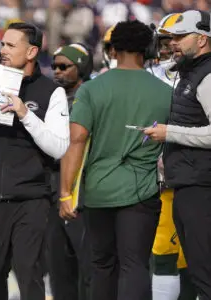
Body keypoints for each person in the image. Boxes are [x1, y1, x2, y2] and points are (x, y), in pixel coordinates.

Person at [0, 22, 70, 300]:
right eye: (2, 44)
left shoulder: (52, 92)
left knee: (29, 272)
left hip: (30, 198)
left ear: (31, 52)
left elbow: (59, 147)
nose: (2, 50)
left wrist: (25, 114)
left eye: (10, 45)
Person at [59, 20, 172, 300]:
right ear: (148, 49)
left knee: (102, 265)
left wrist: (64, 193)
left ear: (113, 49)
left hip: (98, 191)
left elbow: (76, 141)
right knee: (135, 265)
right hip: (142, 191)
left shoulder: (91, 90)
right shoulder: (166, 93)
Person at [144, 10, 211, 300]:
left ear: (202, 38)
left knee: (205, 271)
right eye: (172, 37)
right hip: (188, 182)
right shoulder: (190, 72)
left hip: (202, 186)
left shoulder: (207, 75)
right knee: (198, 271)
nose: (174, 43)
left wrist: (169, 133)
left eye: (181, 37)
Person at [46, 43, 93, 300]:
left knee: (88, 267)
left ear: (82, 66)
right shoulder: (51, 100)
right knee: (58, 267)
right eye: (54, 66)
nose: (57, 71)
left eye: (65, 66)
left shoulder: (90, 97)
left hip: (80, 188)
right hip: (52, 187)